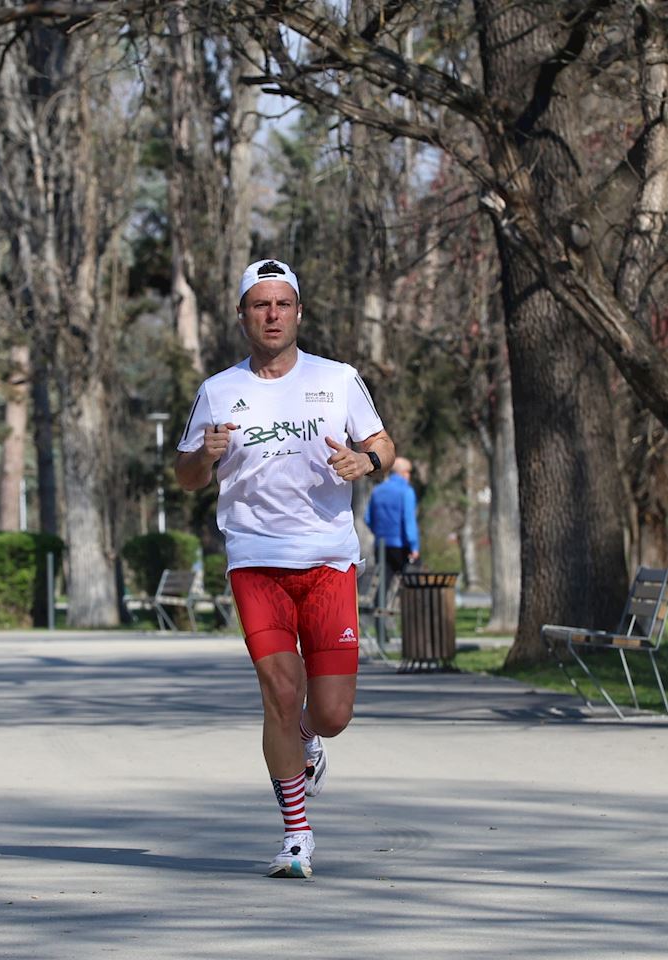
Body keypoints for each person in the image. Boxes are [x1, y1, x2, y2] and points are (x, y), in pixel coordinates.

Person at [174, 258, 394, 879]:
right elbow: (186, 475)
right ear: (243, 315)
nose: (271, 315)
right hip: (255, 560)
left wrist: (365, 463)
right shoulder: (219, 391)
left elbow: (382, 442)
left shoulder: (338, 380)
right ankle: (297, 835)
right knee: (278, 690)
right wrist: (207, 457)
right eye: (259, 305)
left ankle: (308, 736)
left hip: (327, 560)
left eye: (282, 304)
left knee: (331, 714)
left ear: (298, 312)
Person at [364, 456, 420, 598]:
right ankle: (409, 614)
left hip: (381, 545)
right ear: (404, 473)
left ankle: (378, 618)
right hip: (400, 545)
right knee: (411, 583)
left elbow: (368, 518)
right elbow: (408, 521)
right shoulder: (406, 491)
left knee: (383, 584)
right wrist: (413, 546)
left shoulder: (378, 490)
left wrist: (379, 533)